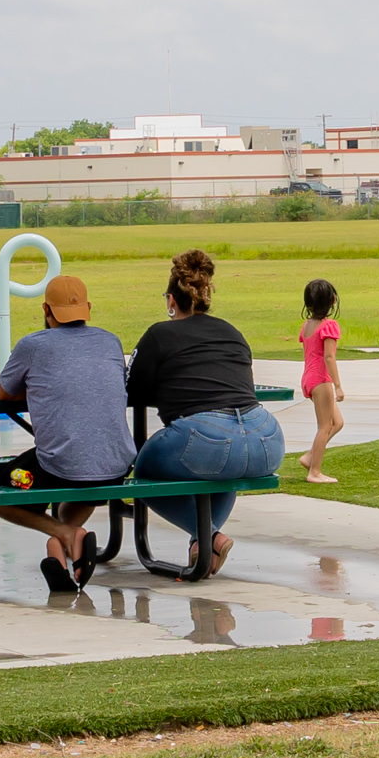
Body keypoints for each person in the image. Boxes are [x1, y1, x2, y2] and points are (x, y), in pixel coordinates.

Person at [125, 248, 283, 580]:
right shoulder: (232, 331)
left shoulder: (159, 334)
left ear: (171, 300)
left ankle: (210, 536)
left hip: (207, 437)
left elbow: (132, 390)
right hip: (266, 438)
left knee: (141, 473)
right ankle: (203, 544)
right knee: (222, 469)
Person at [0, 271, 136, 592]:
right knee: (85, 474)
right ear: (88, 308)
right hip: (115, 467)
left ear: (46, 310)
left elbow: (3, 393)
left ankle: (65, 535)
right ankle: (58, 549)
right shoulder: (111, 341)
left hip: (59, 470)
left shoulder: (33, 345)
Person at [295, 276, 346, 481]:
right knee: (325, 426)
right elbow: (329, 357)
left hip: (308, 377)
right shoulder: (329, 326)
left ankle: (310, 456)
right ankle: (314, 472)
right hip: (321, 378)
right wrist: (338, 386)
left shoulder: (307, 325)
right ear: (332, 300)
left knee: (338, 422)